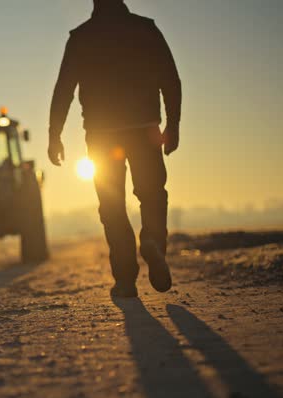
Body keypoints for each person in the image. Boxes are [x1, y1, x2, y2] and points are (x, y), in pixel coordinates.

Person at [48, 0, 182, 298]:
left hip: (101, 134)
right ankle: (153, 244)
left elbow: (64, 89)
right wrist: (173, 125)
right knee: (152, 193)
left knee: (111, 206)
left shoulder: (81, 37)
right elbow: (170, 79)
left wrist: (54, 135)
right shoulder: (145, 29)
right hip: (144, 128)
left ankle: (125, 279)